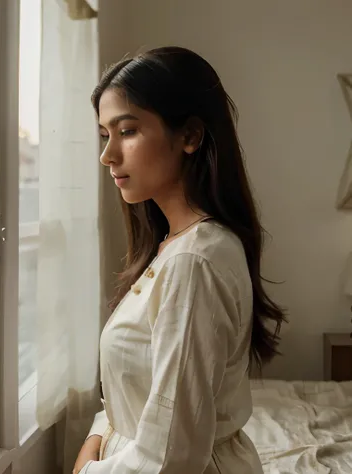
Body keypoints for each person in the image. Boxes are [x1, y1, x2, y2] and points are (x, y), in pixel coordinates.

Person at [73, 46, 286, 474]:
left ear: (189, 136)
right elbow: (139, 388)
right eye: (104, 135)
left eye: (127, 131)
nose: (107, 155)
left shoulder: (194, 262)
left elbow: (172, 457)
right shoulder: (175, 244)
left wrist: (86, 472)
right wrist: (99, 434)